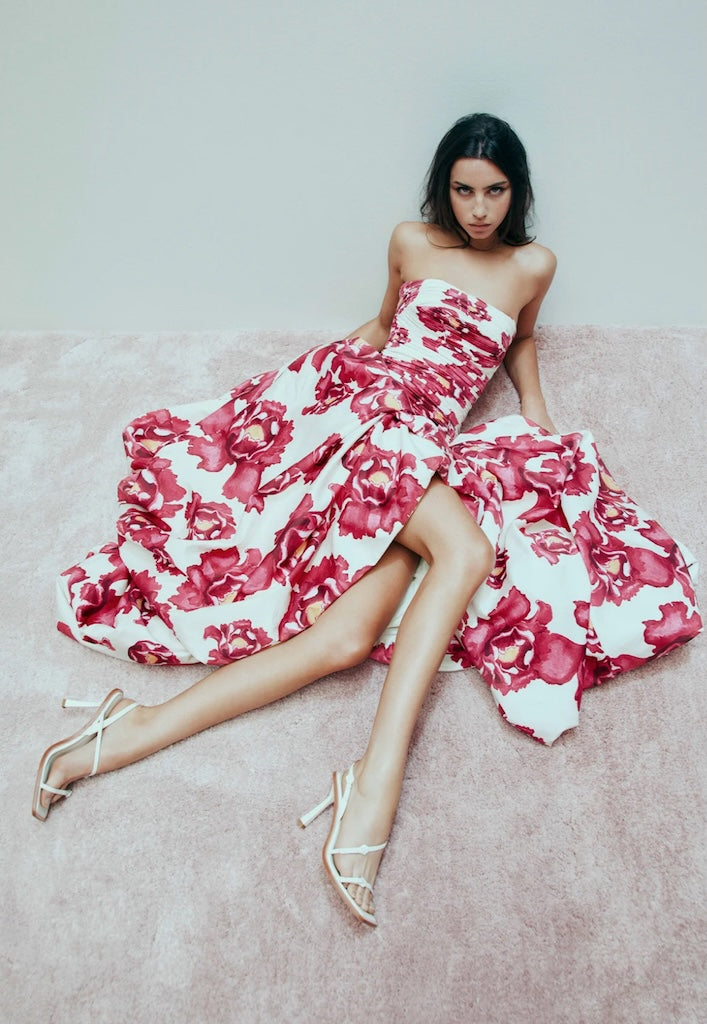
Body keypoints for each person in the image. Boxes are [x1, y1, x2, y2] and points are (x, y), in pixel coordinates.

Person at [33, 114, 701, 927]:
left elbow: (518, 339)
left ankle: (131, 729)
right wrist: (303, 396)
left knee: (342, 644)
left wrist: (534, 410)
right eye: (462, 189)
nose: (478, 209)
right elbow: (382, 328)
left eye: (494, 191)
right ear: (441, 187)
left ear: (518, 191)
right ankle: (377, 784)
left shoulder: (534, 266)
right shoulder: (411, 242)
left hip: (430, 443)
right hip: (379, 417)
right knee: (465, 551)